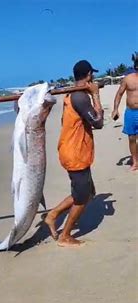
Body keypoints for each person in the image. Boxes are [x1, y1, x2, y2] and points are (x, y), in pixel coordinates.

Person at [45, 60, 104, 247]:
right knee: (82, 197)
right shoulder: (80, 97)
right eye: (91, 74)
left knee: (88, 192)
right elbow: (98, 122)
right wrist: (96, 95)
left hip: (74, 150)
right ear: (88, 75)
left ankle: (52, 215)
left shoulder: (72, 95)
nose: (93, 77)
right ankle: (65, 235)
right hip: (74, 153)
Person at [112, 53, 138, 171]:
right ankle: (135, 162)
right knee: (132, 138)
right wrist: (115, 109)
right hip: (131, 112)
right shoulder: (128, 79)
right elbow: (119, 94)